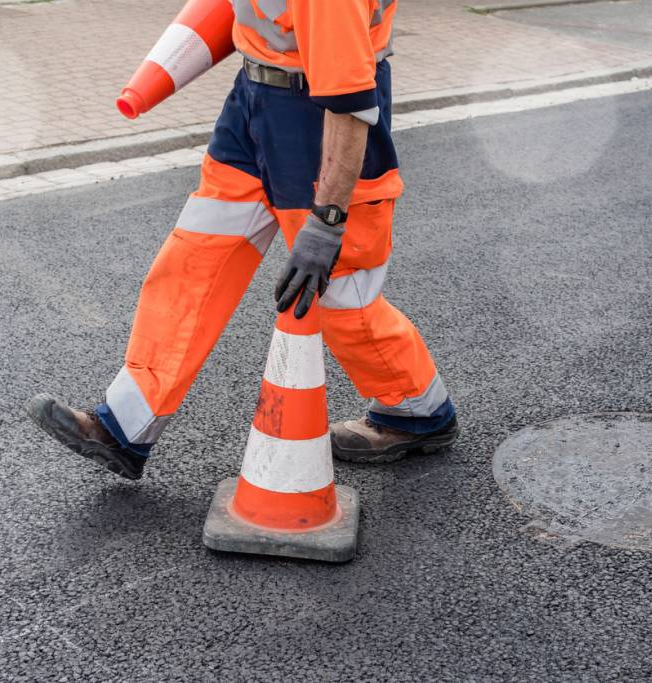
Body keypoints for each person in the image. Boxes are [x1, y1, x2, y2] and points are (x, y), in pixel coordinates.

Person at [25, 0, 459, 479]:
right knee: (193, 261)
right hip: (254, 100)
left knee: (341, 295)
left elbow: (351, 101)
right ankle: (125, 425)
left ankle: (416, 410)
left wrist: (328, 220)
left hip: (323, 121)